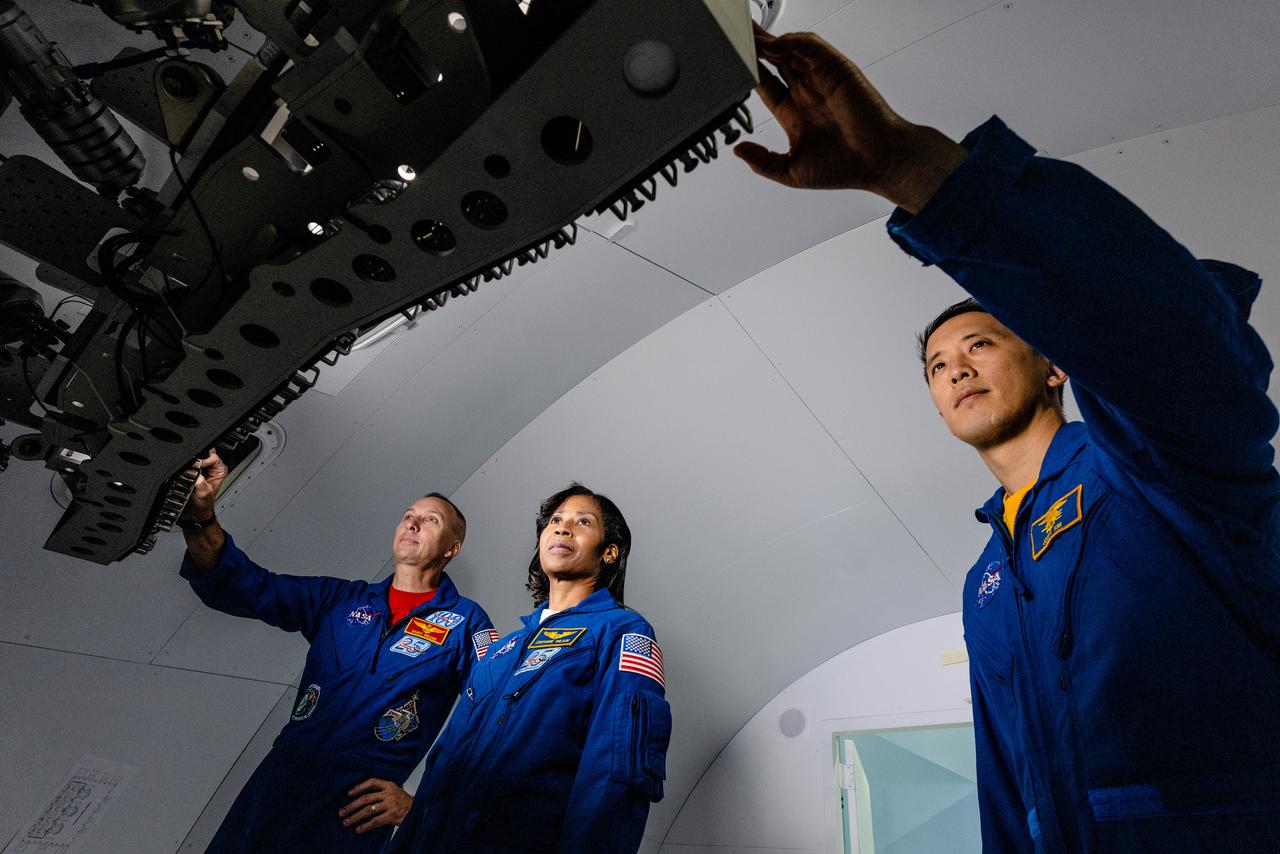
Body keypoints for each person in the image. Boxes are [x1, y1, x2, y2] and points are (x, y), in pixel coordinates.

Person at [737, 24, 1280, 854]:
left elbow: (1175, 345)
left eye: (982, 344)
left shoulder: (1151, 466)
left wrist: (912, 172)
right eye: (936, 365)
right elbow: (1004, 782)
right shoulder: (988, 578)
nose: (955, 370)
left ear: (1054, 364)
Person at [177, 449, 496, 852]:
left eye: (430, 520)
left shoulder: (466, 624)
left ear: (452, 548)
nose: (412, 522)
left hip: (352, 813)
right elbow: (246, 585)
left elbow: (500, 718)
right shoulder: (341, 600)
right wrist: (199, 516)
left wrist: (425, 806)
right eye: (407, 514)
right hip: (277, 785)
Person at [386, 483, 671, 853]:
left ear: (610, 552)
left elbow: (617, 774)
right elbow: (444, 762)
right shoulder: (505, 648)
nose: (562, 528)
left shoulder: (622, 633)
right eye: (555, 520)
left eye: (582, 521)